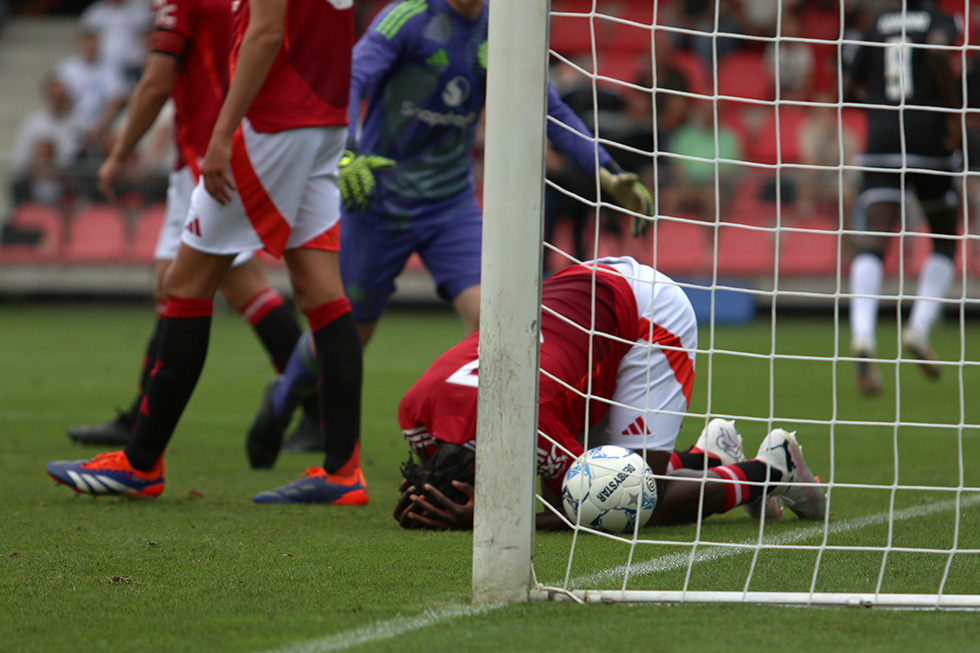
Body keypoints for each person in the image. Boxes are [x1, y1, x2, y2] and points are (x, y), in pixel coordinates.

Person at [243, 0, 657, 460]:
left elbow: (551, 110)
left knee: (495, 318)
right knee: (348, 332)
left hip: (449, 208)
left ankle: (479, 446)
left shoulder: (502, 31)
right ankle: (281, 401)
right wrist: (349, 149)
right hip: (378, 200)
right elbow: (353, 76)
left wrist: (607, 171)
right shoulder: (408, 17)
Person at [47, 0, 365, 505]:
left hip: (272, 121)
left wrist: (222, 133)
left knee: (185, 281)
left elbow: (264, 34)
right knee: (320, 288)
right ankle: (343, 469)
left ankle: (139, 462)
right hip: (323, 121)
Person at [393, 256, 825, 530]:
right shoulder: (414, 409)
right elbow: (431, 468)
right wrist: (422, 493)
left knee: (637, 496)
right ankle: (709, 457)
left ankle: (771, 469)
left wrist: (487, 520)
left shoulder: (530, 422)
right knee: (612, 471)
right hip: (581, 294)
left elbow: (592, 505)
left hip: (647, 312)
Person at [843, 0, 961, 395]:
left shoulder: (876, 23)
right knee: (945, 239)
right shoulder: (940, 19)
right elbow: (939, 50)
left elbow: (846, 82)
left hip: (881, 140)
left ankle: (863, 334)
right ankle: (919, 328)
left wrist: (878, 109)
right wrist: (953, 114)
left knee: (875, 238)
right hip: (928, 139)